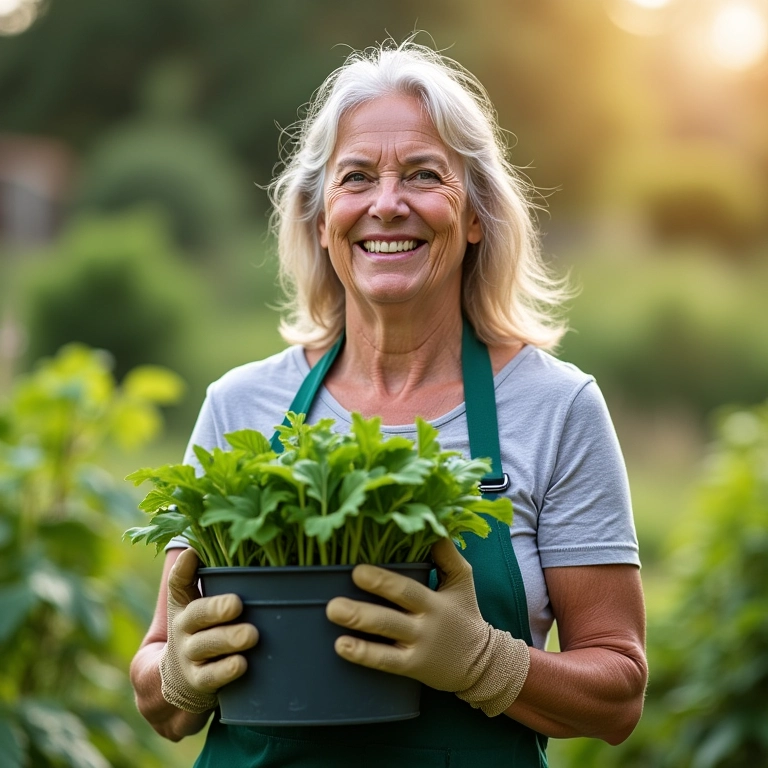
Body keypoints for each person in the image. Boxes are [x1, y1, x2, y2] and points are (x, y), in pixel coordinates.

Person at [130, 40, 647, 767]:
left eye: (424, 175)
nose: (387, 204)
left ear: (474, 216)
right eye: (357, 178)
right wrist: (177, 676)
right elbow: (157, 696)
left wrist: (483, 664)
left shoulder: (555, 408)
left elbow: (619, 693)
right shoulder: (241, 405)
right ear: (320, 219)